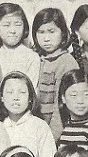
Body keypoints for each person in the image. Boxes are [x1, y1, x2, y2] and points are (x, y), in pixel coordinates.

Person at [0, 72, 56, 157]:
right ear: (1, 97)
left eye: (22, 92)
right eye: (10, 92)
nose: (16, 97)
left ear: (30, 98)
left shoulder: (39, 127)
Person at [31, 8, 78, 140]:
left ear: (63, 33)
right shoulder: (34, 58)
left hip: (54, 134)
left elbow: (61, 110)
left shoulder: (67, 62)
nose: (46, 38)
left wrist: (50, 139)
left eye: (52, 32)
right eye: (41, 32)